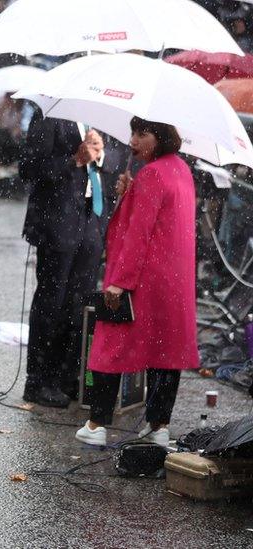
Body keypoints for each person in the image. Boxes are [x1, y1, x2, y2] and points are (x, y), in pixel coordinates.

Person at [76, 117, 199, 447]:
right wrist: (128, 195)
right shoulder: (180, 170)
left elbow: (137, 235)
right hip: (173, 281)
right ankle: (159, 426)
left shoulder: (152, 174)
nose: (133, 140)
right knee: (165, 351)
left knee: (109, 346)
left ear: (160, 138)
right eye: (133, 132)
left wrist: (119, 281)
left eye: (142, 134)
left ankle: (96, 424)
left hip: (142, 279)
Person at [20, 111, 127, 408]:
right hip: (57, 222)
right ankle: (39, 379)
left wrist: (101, 156)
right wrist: (74, 160)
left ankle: (68, 375)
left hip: (92, 221)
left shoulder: (107, 120)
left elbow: (118, 160)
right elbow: (28, 168)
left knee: (80, 303)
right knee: (52, 300)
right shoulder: (52, 116)